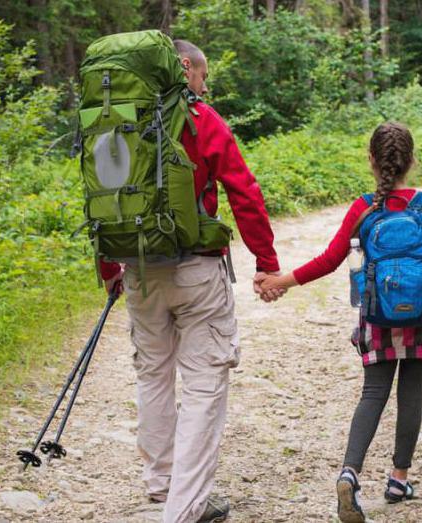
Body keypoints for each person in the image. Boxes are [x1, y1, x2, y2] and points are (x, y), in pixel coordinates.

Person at [100, 40, 284, 523]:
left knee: (153, 375)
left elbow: (104, 197)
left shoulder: (115, 120)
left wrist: (109, 269)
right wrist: (265, 261)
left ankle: (162, 485)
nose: (203, 86)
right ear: (186, 70)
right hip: (197, 269)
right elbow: (244, 190)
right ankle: (184, 508)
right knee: (203, 384)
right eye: (202, 77)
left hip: (137, 269)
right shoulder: (200, 117)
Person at [258, 123, 422, 523]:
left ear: (371, 160)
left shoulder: (363, 208)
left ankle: (349, 472)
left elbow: (330, 260)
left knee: (373, 392)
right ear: (411, 161)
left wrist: (281, 281)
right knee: (411, 392)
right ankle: (399, 478)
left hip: (378, 317)